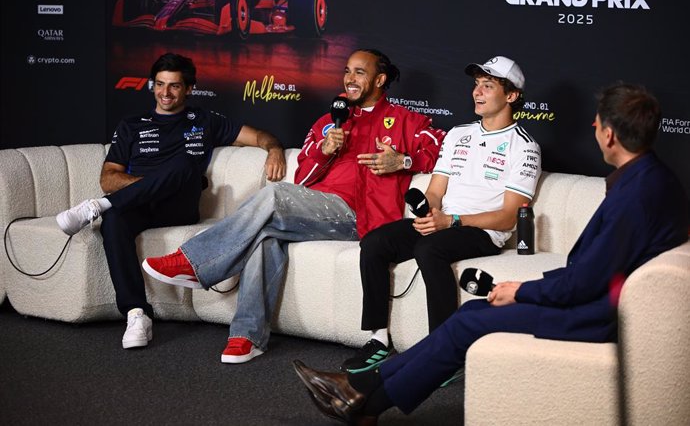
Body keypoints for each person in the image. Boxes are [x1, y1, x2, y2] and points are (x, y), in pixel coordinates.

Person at [293, 82, 689, 424]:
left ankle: (364, 399)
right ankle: (363, 395)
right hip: (592, 300)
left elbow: (585, 280)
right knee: (470, 312)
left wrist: (521, 290)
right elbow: (593, 269)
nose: (592, 125)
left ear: (610, 136)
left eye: (598, 120)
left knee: (467, 321)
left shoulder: (636, 194)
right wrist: (527, 287)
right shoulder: (647, 178)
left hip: (593, 316)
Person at [141, 49, 447, 364]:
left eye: (359, 72)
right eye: (347, 71)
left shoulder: (408, 120)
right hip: (318, 209)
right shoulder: (331, 120)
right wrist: (325, 151)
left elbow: (442, 151)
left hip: (362, 217)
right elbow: (303, 175)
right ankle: (248, 336)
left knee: (275, 196)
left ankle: (196, 261)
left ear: (380, 79)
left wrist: (403, 160)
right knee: (265, 236)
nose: (349, 79)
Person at [55, 52, 286, 349]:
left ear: (189, 88)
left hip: (180, 206)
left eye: (174, 86)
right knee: (114, 222)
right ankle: (137, 313)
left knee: (185, 167)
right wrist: (153, 186)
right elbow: (108, 179)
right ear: (152, 85)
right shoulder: (132, 124)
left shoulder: (204, 121)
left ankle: (99, 205)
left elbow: (259, 136)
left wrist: (275, 149)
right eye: (160, 84)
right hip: (140, 207)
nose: (165, 92)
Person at [341, 56, 541, 373]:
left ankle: (444, 353)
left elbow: (507, 218)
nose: (478, 92)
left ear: (512, 96)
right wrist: (429, 211)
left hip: (482, 232)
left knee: (429, 248)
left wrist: (452, 221)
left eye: (488, 86)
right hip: (445, 224)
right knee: (376, 242)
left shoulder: (525, 146)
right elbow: (435, 191)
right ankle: (379, 340)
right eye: (476, 85)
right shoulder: (458, 134)